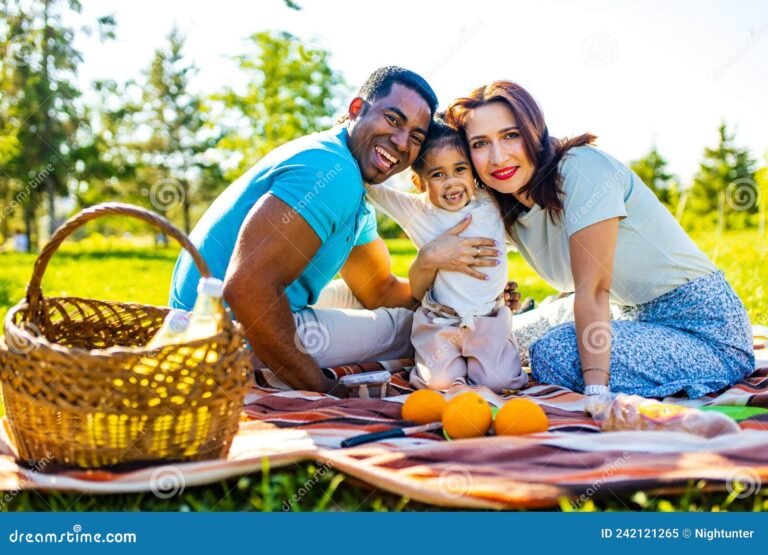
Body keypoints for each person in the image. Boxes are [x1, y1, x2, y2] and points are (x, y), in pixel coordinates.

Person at [170, 67, 513, 394]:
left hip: (207, 318)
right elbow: (246, 288)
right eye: (392, 119)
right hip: (227, 334)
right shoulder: (332, 173)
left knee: (361, 298)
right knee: (412, 326)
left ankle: (486, 316)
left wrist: (472, 290)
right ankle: (494, 333)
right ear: (356, 109)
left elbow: (377, 290)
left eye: (416, 137)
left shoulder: (347, 176)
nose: (400, 141)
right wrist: (323, 388)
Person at [408, 80, 754, 399]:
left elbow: (593, 291)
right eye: (481, 144)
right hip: (626, 315)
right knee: (508, 338)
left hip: (704, 330)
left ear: (534, 132)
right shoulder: (503, 206)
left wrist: (596, 391)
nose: (498, 157)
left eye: (510, 135)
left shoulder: (583, 169)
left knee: (551, 352)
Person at [365, 120, 526, 393]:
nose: (451, 182)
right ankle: (447, 371)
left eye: (460, 169)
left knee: (499, 383)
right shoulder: (417, 211)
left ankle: (485, 363)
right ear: (420, 181)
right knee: (439, 384)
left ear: (473, 171)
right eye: (437, 174)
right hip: (440, 322)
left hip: (488, 320)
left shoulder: (490, 202)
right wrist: (360, 137)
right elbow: (372, 187)